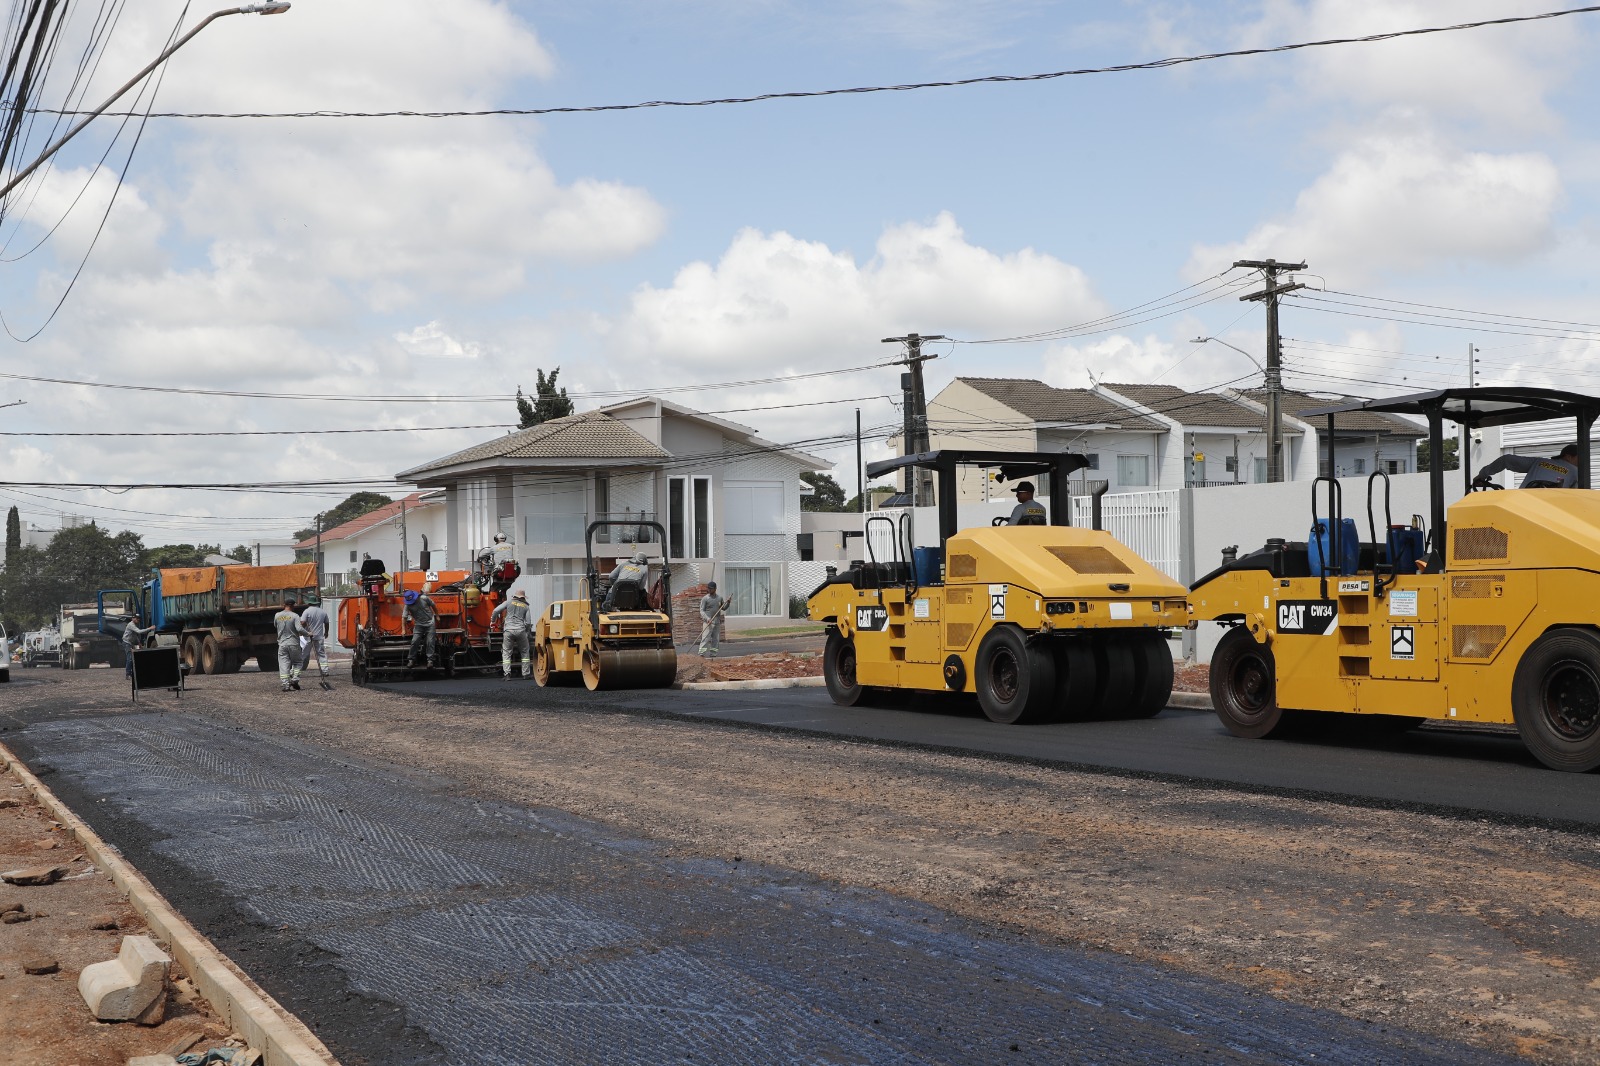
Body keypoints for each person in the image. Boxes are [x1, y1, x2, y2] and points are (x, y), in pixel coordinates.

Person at [1474, 444, 1581, 489]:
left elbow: (1506, 460)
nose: (1582, 462)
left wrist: (1481, 475)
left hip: (1521, 507)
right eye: (1579, 458)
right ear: (1568, 457)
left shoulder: (1540, 462)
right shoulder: (1576, 472)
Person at [490, 589, 534, 679]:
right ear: (523, 597)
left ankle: (507, 674)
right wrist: (526, 632)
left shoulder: (508, 602)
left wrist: (493, 621)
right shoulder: (526, 606)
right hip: (521, 630)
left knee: (506, 652)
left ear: (514, 596)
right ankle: (525, 674)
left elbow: (495, 611)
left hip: (508, 630)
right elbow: (528, 622)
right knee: (525, 652)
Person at [273, 597, 308, 692]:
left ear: (284, 605)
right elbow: (299, 629)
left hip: (282, 644)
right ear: (293, 606)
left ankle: (286, 685)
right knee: (298, 662)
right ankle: (295, 679)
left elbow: (275, 626)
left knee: (283, 664)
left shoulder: (277, 615)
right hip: (293, 644)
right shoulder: (295, 616)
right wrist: (308, 634)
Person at [405, 585, 439, 669]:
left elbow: (433, 605)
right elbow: (404, 617)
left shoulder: (424, 598)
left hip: (430, 623)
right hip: (419, 624)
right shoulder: (408, 605)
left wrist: (437, 615)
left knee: (430, 641)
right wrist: (403, 629)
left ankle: (430, 660)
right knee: (414, 641)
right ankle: (411, 659)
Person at [299, 598, 331, 681]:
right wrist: (326, 632)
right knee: (321, 654)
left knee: (303, 654)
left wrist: (303, 630)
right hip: (319, 636)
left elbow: (302, 622)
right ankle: (325, 670)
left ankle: (296, 671)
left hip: (308, 637)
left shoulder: (307, 611)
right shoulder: (322, 612)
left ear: (309, 603)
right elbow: (327, 623)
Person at [699, 581, 729, 658]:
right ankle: (701, 654)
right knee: (705, 638)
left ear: (715, 589)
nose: (709, 590)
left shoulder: (719, 598)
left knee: (715, 639)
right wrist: (707, 618)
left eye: (711, 588)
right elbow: (702, 610)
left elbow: (723, 608)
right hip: (708, 622)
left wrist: (728, 603)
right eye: (708, 588)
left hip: (716, 622)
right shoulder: (705, 599)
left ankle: (713, 654)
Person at [121, 611, 155, 680]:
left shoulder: (134, 625)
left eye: (139, 619)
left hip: (130, 643)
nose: (138, 620)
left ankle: (132, 673)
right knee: (129, 658)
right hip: (126, 642)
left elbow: (135, 635)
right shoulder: (131, 624)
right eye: (137, 618)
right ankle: (128, 674)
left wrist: (139, 643)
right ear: (133, 618)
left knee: (132, 658)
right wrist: (150, 628)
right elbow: (139, 632)